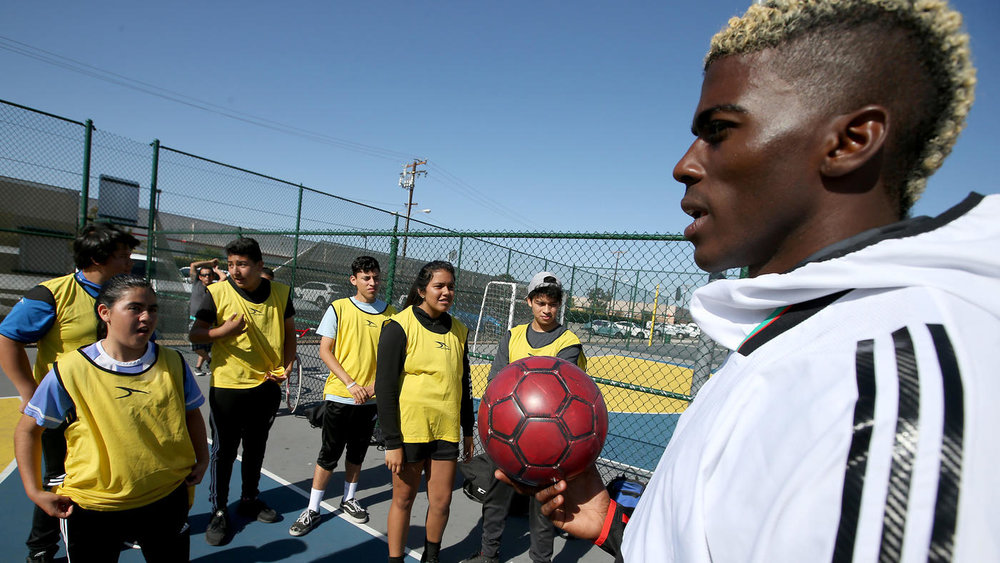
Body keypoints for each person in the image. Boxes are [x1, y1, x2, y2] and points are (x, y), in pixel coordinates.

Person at [504, 0, 999, 561]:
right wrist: (620, 527)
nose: (685, 164)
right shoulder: (802, 338)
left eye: (719, 130)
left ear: (851, 141)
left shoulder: (887, 396)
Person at [13, 274, 209, 562]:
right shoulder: (70, 369)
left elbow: (191, 414)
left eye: (152, 309)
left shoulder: (173, 362)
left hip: (166, 497)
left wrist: (202, 458)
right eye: (135, 308)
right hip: (95, 506)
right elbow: (27, 431)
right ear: (105, 312)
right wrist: (34, 491)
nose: (147, 317)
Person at [0, 222, 138, 563]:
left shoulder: (124, 295)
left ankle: (111, 530)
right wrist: (28, 391)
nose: (129, 263)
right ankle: (42, 547)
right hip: (66, 411)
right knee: (62, 481)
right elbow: (8, 338)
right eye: (122, 257)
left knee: (111, 472)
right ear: (96, 259)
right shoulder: (52, 294)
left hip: (113, 406)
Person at [462, 271, 586, 563]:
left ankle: (541, 560)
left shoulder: (568, 342)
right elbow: (496, 383)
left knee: (544, 509)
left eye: (553, 304)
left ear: (559, 306)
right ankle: (488, 554)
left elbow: (561, 391)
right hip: (508, 437)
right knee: (495, 499)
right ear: (529, 301)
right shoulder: (513, 336)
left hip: (549, 444)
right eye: (541, 302)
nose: (547, 310)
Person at [189, 237, 296, 546]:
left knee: (256, 446)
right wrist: (223, 332)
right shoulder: (216, 293)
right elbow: (195, 332)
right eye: (232, 264)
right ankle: (219, 510)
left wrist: (287, 365)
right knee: (224, 452)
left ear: (260, 266)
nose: (235, 270)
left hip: (266, 385)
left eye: (243, 264)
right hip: (228, 387)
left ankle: (249, 498)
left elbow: (289, 333)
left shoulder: (280, 293)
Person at [289, 256, 396, 536]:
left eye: (375, 277)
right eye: (366, 278)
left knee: (358, 453)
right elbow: (326, 350)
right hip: (341, 395)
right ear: (354, 280)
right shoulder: (338, 308)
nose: (372, 283)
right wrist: (350, 383)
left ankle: (349, 498)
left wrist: (373, 386)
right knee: (329, 453)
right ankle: (313, 508)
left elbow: (393, 356)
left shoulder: (391, 314)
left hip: (370, 399)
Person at [375, 260, 475, 563]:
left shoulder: (459, 330)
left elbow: (463, 384)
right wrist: (392, 442)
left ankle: (431, 557)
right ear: (422, 290)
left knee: (442, 502)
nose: (446, 292)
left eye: (450, 287)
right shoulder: (398, 326)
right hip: (409, 432)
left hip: (445, 431)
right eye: (439, 286)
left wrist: (468, 430)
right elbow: (385, 388)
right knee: (403, 499)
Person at [188, 258, 224, 376]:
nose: (207, 277)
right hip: (194, 320)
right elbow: (193, 265)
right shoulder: (196, 284)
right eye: (204, 275)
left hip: (208, 321)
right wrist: (209, 263)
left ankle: (198, 368)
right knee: (195, 345)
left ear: (213, 276)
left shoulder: (214, 287)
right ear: (200, 277)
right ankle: (209, 360)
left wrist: (216, 269)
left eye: (209, 275)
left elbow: (223, 277)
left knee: (205, 346)